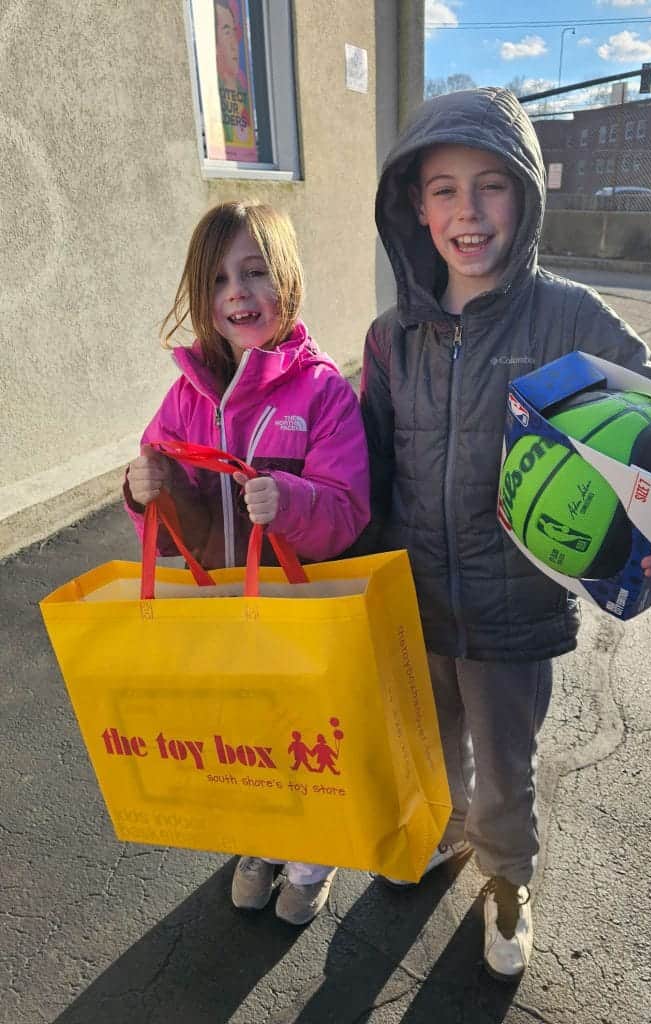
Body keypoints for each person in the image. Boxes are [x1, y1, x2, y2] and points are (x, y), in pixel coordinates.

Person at [358, 88, 651, 981]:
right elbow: (367, 474)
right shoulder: (390, 340)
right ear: (412, 206)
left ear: (528, 195)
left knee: (508, 768)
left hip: (515, 620)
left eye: (492, 186)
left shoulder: (571, 321)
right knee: (435, 746)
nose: (467, 212)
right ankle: (450, 832)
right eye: (442, 189)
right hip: (418, 608)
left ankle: (507, 877)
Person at [124, 200, 370, 926]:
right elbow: (161, 506)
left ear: (286, 280)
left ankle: (310, 859)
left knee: (307, 742)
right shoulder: (186, 395)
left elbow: (347, 510)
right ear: (203, 298)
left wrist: (287, 499)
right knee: (246, 742)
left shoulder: (322, 391)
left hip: (299, 618)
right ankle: (261, 843)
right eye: (221, 278)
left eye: (256, 272)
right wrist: (143, 494)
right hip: (222, 615)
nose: (239, 292)